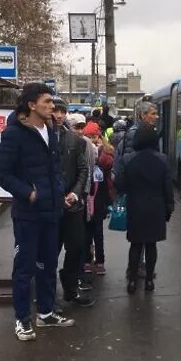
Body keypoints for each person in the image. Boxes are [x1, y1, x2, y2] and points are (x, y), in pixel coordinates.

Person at [0, 83, 74, 342]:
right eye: (47, 102)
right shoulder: (14, 134)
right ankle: (22, 319)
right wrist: (28, 193)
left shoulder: (50, 130)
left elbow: (54, 168)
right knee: (25, 268)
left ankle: (46, 313)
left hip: (51, 212)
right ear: (31, 105)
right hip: (27, 215)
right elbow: (0, 173)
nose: (53, 107)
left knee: (48, 264)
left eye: (53, 103)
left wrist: (59, 193)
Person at [114, 126, 174, 293]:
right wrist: (168, 208)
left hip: (136, 206)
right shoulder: (162, 159)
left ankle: (132, 281)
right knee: (151, 246)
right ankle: (149, 281)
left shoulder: (127, 159)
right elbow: (168, 188)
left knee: (136, 245)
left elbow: (119, 183)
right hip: (156, 207)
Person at [51, 99, 94, 307]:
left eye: (62, 112)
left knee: (76, 247)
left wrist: (76, 194)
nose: (58, 116)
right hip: (50, 205)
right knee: (50, 250)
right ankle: (47, 295)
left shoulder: (75, 140)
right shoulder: (41, 137)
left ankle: (70, 288)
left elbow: (83, 169)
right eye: (55, 111)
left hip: (72, 205)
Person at [65, 113, 98, 290]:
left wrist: (83, 194)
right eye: (76, 127)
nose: (79, 131)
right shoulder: (63, 141)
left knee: (78, 242)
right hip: (66, 199)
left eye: (81, 127)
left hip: (79, 199)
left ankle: (76, 278)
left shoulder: (86, 144)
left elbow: (87, 171)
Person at [82, 121, 114, 275]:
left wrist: (100, 151)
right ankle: (87, 260)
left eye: (95, 136)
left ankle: (100, 261)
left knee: (98, 233)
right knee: (87, 233)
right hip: (85, 196)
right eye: (89, 136)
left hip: (100, 197)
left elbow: (108, 164)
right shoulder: (82, 148)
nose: (93, 140)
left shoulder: (105, 151)